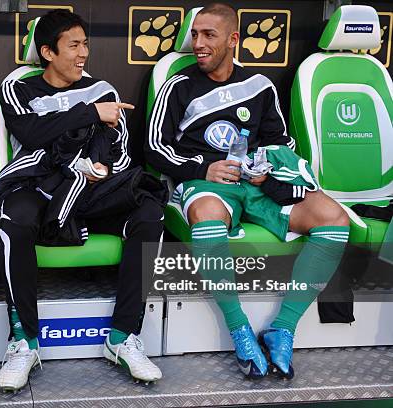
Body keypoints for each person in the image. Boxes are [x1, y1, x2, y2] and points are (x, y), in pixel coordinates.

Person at [145, 3, 350, 379]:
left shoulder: (259, 85)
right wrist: (203, 167)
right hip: (205, 182)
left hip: (256, 184)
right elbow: (154, 148)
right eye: (195, 34)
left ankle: (282, 329)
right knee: (207, 215)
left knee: (334, 219)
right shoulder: (179, 85)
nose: (199, 43)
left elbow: (280, 141)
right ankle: (239, 329)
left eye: (209, 35)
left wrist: (266, 171)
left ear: (233, 39)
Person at [0, 9, 167, 392]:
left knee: (149, 212)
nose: (83, 53)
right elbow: (31, 133)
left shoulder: (104, 91)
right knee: (13, 216)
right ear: (48, 52)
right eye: (73, 45)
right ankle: (24, 341)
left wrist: (100, 171)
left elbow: (119, 154)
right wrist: (88, 115)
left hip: (92, 190)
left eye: (85, 43)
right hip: (40, 187)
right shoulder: (19, 87)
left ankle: (122, 337)